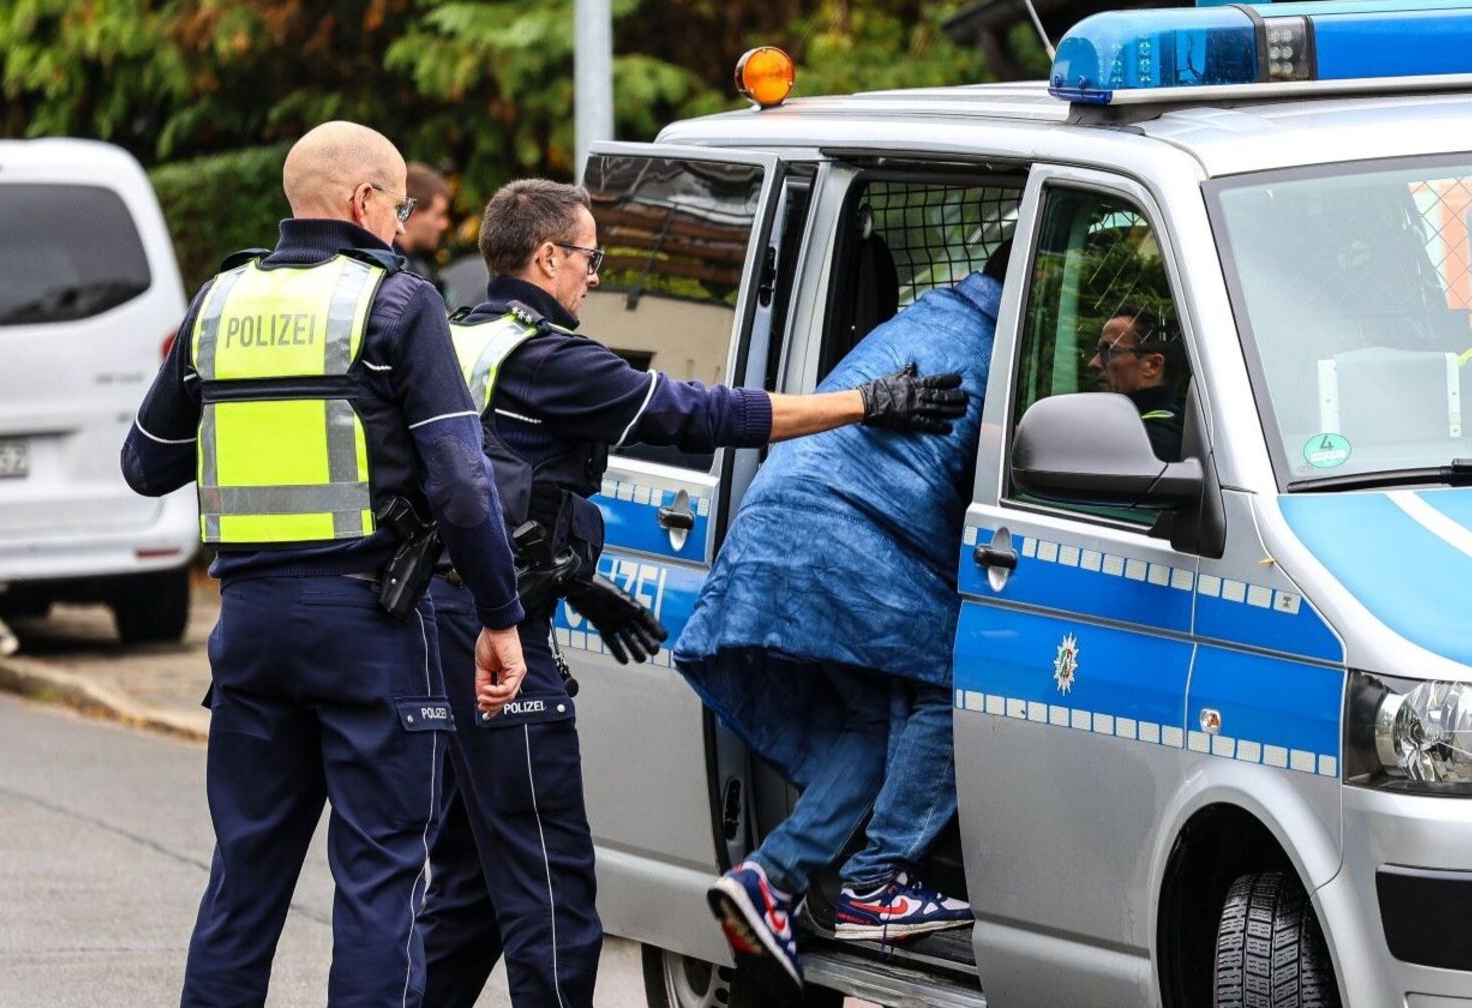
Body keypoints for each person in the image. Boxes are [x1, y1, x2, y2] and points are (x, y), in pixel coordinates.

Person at [416, 178, 971, 1008]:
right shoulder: (549, 357)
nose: (595, 276)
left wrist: (573, 579)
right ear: (546, 257)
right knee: (552, 895)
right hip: (496, 638)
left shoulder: (458, 338)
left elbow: (489, 484)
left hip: (438, 625)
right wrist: (867, 402)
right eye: (590, 257)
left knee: (465, 890)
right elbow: (701, 414)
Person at [119, 120, 530, 1007]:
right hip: (371, 630)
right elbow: (462, 484)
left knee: (244, 883)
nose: (402, 221)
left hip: (252, 629)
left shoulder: (219, 302)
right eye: (402, 205)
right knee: (380, 883)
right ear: (364, 202)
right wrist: (501, 618)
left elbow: (146, 464)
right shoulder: (397, 302)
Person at [676, 243, 1010, 1000]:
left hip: (777, 529)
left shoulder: (931, 318)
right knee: (957, 680)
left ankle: (769, 878)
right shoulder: (1005, 347)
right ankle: (876, 880)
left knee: (866, 727)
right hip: (847, 541)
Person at [1088, 310, 1185, 461]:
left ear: (1152, 365)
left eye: (1108, 351)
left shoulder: (1151, 442)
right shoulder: (1142, 428)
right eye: (1097, 351)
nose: (1093, 363)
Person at [397, 162, 452, 292]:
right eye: (439, 215)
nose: (445, 224)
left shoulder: (414, 267)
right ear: (411, 215)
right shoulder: (399, 276)